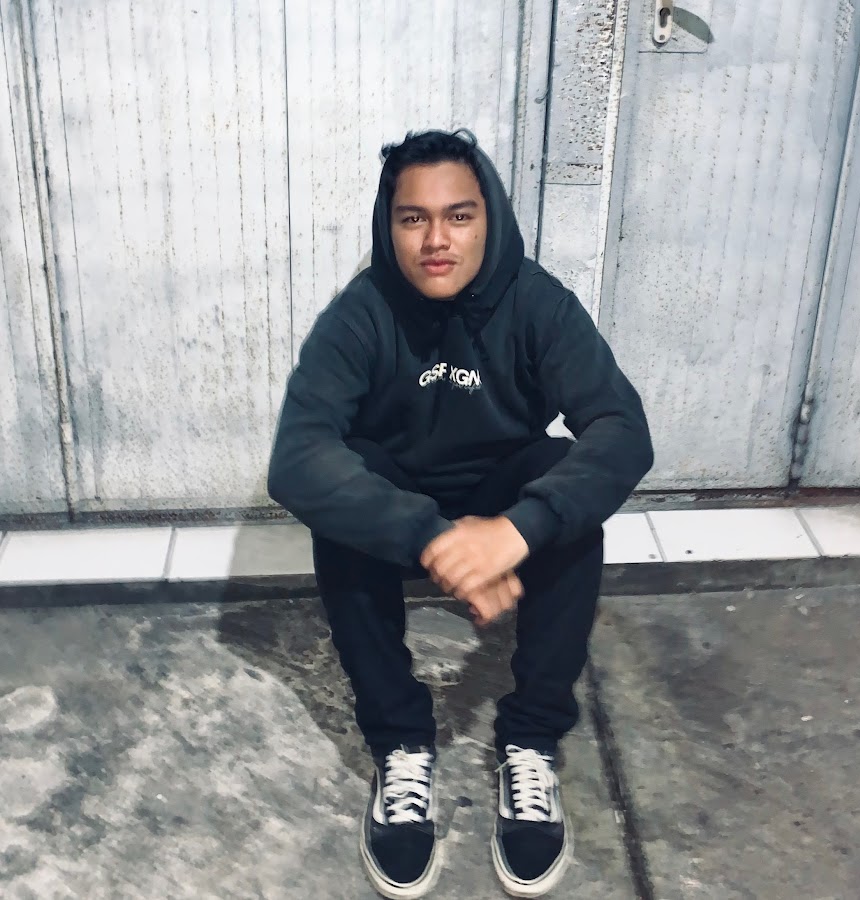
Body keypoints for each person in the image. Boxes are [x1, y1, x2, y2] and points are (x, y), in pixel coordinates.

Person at [267, 129, 653, 899]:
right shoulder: (361, 313)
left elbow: (621, 429)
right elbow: (297, 458)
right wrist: (434, 538)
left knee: (562, 485)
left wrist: (516, 530)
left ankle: (531, 742)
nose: (436, 239)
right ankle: (401, 744)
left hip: (501, 495)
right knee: (344, 493)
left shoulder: (537, 302)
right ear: (390, 227)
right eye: (413, 218)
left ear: (490, 218)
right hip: (404, 502)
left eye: (459, 215)